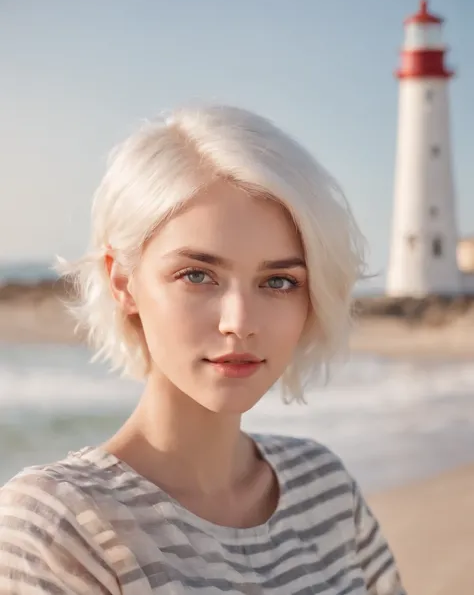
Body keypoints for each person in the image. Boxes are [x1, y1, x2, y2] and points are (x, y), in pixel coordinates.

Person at [0, 105, 405, 594]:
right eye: (197, 275)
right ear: (123, 283)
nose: (239, 323)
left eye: (278, 281)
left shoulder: (324, 486)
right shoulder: (59, 526)